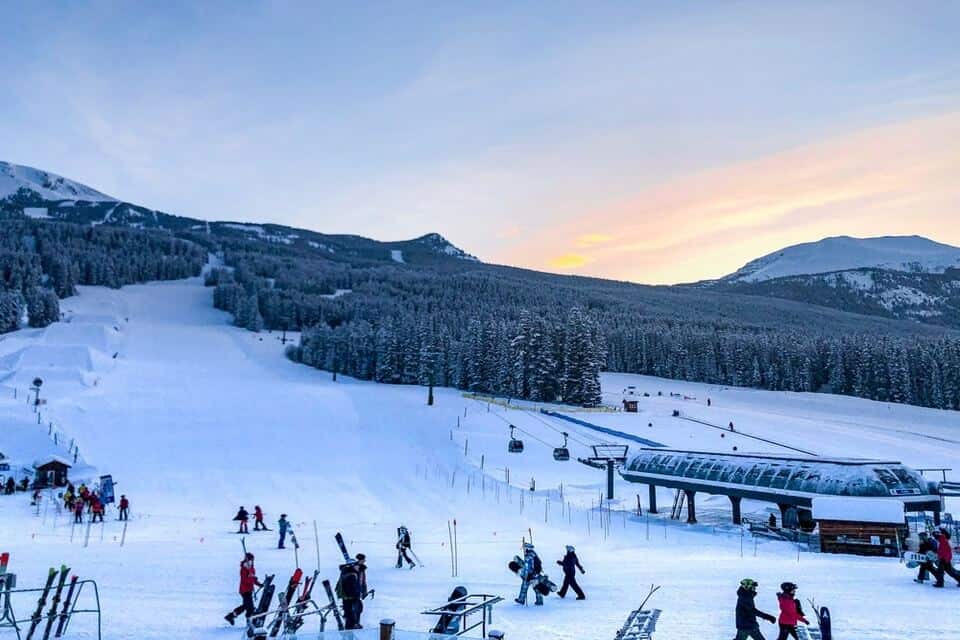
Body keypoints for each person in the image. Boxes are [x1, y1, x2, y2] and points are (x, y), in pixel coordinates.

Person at [225, 552, 262, 626]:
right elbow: (245, 580)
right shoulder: (243, 569)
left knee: (246, 606)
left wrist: (258, 584)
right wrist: (251, 578)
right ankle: (248, 621)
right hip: (244, 590)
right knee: (249, 607)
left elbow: (253, 578)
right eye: (251, 560)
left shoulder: (251, 568)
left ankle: (231, 616)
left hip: (249, 590)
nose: (252, 562)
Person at [336, 560, 363, 629]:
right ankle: (350, 630)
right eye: (357, 565)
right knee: (351, 616)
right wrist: (356, 596)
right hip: (351, 599)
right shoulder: (352, 575)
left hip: (346, 598)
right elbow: (351, 588)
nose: (358, 567)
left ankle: (351, 627)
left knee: (349, 615)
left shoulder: (345, 571)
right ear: (352, 566)